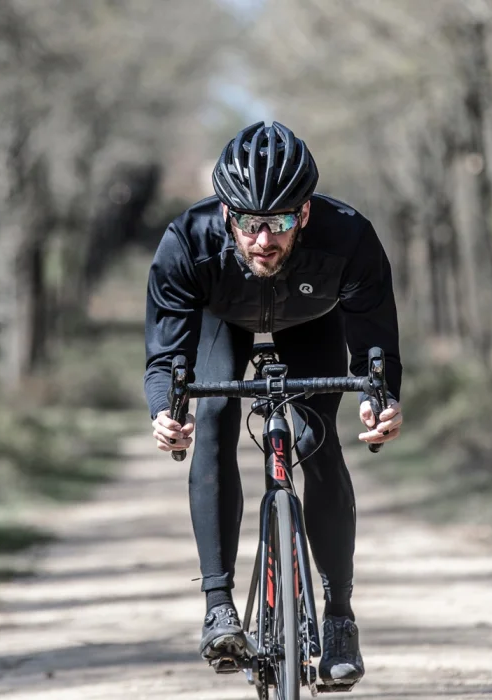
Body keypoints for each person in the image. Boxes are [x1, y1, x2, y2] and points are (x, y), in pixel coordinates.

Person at [143, 121, 404, 686]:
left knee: (315, 438)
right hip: (223, 318)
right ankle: (218, 608)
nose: (264, 240)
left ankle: (339, 619)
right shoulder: (187, 241)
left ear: (305, 214)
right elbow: (167, 356)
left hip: (313, 320)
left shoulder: (349, 238)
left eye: (281, 222)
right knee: (214, 416)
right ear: (227, 214)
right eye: (250, 223)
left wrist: (380, 398)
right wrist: (166, 410)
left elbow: (375, 343)